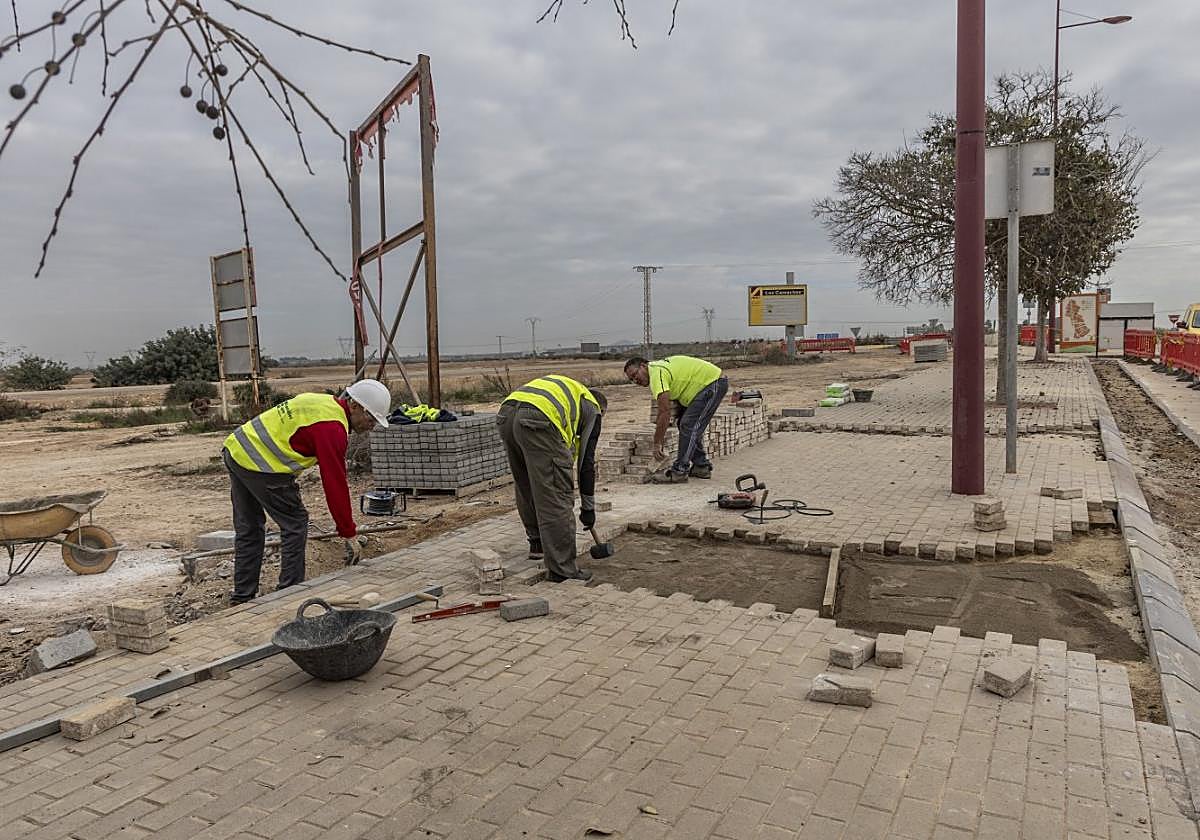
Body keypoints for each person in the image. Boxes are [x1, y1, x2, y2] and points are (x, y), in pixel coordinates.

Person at [221, 379, 391, 604]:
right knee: (295, 523)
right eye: (371, 419)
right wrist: (348, 532)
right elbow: (335, 484)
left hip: (237, 449)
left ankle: (242, 598)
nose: (372, 426)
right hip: (261, 464)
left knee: (249, 528)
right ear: (355, 405)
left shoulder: (324, 403)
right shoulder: (332, 428)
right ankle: (289, 594)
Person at [497, 375, 605, 582]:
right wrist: (588, 509)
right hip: (539, 417)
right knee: (556, 494)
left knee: (526, 484)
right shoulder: (594, 410)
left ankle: (537, 544)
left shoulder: (571, 394)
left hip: (507, 413)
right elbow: (586, 465)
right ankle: (562, 569)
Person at [624, 355, 729, 483]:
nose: (636, 380)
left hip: (712, 383)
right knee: (684, 424)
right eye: (632, 379)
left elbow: (664, 412)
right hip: (708, 384)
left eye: (635, 375)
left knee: (688, 425)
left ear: (643, 366)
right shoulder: (657, 369)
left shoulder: (656, 373)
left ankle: (680, 471)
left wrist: (657, 443)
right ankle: (701, 466)